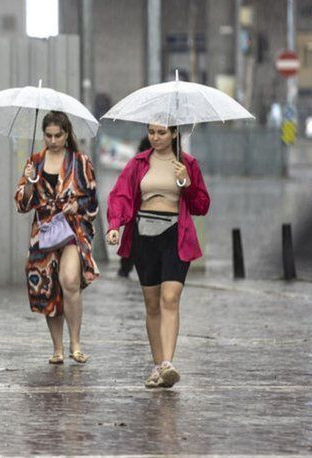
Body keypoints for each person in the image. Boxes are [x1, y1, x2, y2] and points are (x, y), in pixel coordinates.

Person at [105, 124, 210, 388]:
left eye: (161, 132)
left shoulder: (187, 163)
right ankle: (157, 367)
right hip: (144, 236)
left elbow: (201, 206)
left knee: (170, 298)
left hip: (176, 235)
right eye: (152, 132)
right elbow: (120, 195)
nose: (155, 137)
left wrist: (186, 182)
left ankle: (167, 363)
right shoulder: (138, 163)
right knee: (152, 305)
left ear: (174, 133)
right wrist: (115, 226)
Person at [14, 111, 100, 365]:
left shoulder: (80, 162)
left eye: (58, 135)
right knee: (48, 286)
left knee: (69, 280)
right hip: (44, 232)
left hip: (73, 229)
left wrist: (77, 206)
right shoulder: (35, 162)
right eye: (48, 135)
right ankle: (57, 348)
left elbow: (92, 199)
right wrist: (29, 182)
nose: (52, 140)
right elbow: (22, 204)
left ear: (66, 134)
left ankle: (75, 343)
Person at [117, 136, 151, 278]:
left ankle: (125, 270)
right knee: (133, 244)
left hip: (141, 216)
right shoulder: (137, 164)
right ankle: (126, 270)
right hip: (138, 215)